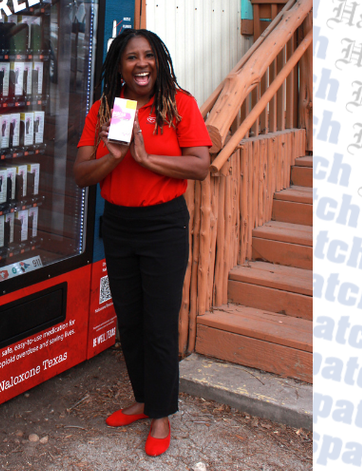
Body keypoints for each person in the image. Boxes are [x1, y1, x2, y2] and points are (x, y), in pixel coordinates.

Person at [74, 29, 211, 457]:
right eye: (131, 57)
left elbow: (200, 165)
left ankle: (161, 413)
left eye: (148, 55)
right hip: (118, 225)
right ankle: (142, 399)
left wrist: (147, 159)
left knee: (158, 323)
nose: (141, 64)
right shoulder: (108, 111)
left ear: (159, 61)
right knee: (129, 319)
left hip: (163, 226)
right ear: (119, 66)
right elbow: (81, 174)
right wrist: (113, 155)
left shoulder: (177, 104)